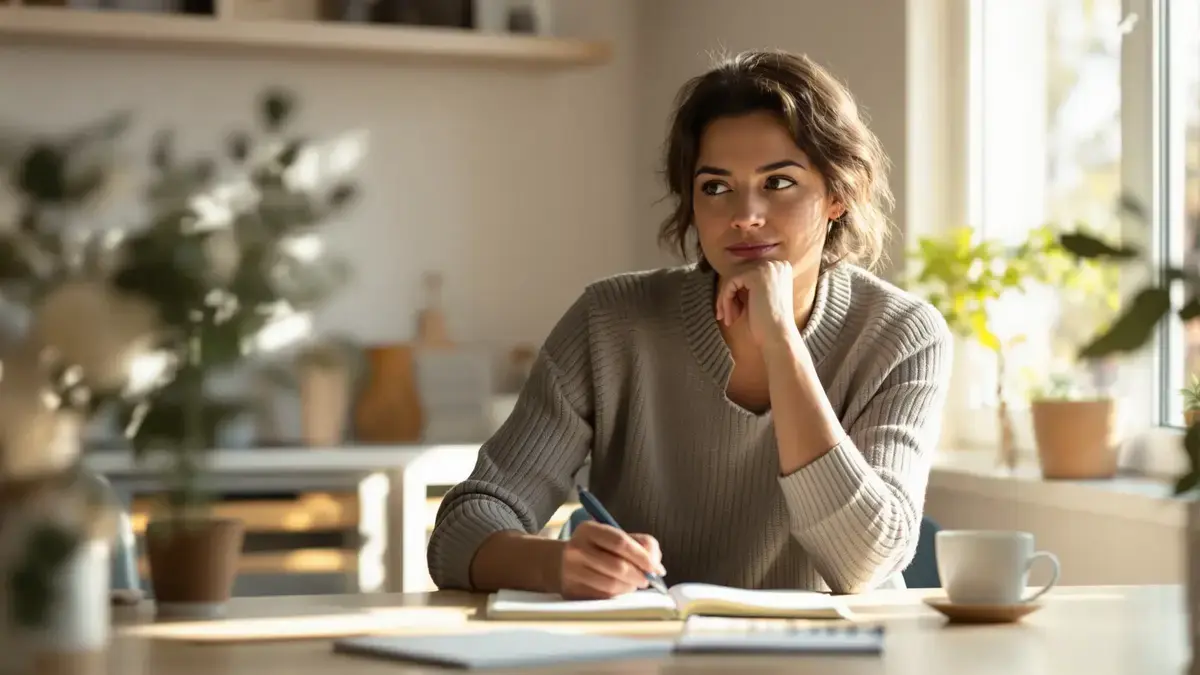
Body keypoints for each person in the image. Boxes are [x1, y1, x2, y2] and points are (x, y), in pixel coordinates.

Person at [427, 49, 953, 599]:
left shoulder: (902, 334)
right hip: (645, 655)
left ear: (840, 194)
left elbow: (865, 562)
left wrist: (781, 341)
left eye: (778, 183)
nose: (745, 214)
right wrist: (553, 564)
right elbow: (464, 527)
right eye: (716, 187)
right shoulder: (611, 321)